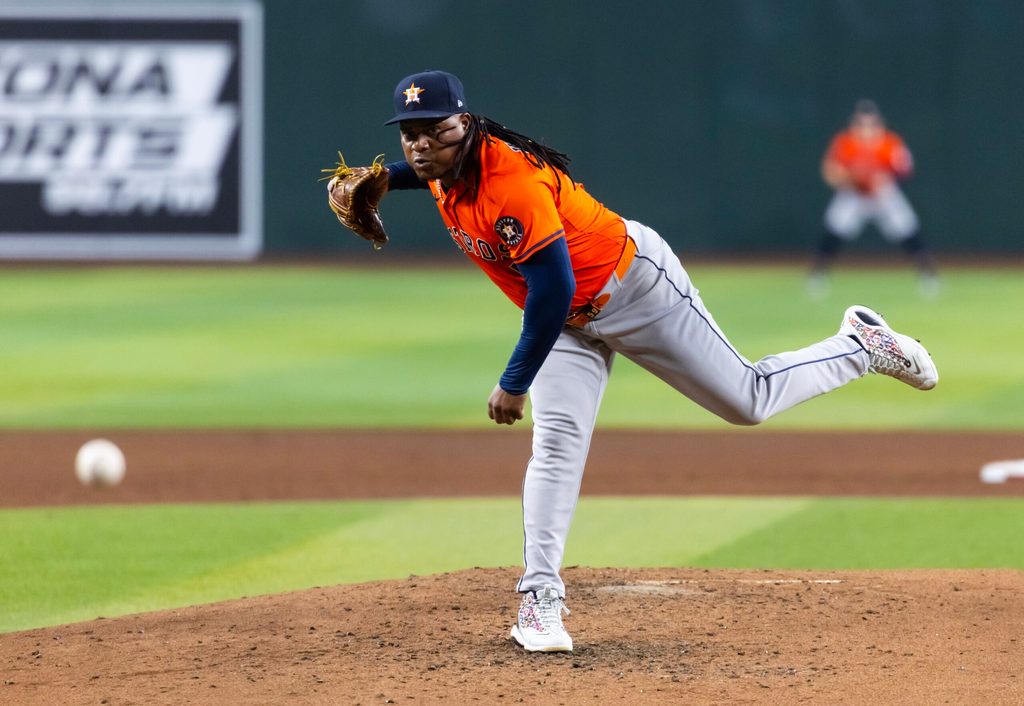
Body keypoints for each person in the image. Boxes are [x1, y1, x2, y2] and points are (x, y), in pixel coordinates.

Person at [335, 70, 938, 653]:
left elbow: (549, 291)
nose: (419, 143)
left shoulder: (510, 183)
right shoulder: (441, 165)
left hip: (634, 291)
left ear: (464, 126)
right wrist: (386, 179)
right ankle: (540, 596)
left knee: (747, 401)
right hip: (570, 322)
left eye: (433, 128)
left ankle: (860, 346)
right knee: (557, 445)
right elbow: (428, 175)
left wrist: (514, 382)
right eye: (408, 131)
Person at [810, 99, 939, 297]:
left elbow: (905, 169)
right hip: (854, 193)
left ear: (878, 123)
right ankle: (817, 275)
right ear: (854, 123)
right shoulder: (846, 142)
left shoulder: (889, 142)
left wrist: (885, 176)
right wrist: (848, 177)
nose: (865, 127)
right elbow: (830, 171)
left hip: (883, 192)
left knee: (906, 227)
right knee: (835, 227)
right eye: (861, 123)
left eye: (870, 122)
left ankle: (928, 275)